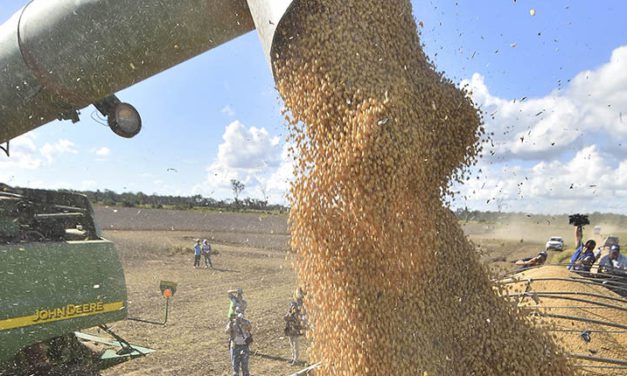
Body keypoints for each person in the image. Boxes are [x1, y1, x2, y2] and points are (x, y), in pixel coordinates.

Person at [226, 308, 252, 376]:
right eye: (237, 312)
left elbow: (249, 328)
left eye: (240, 312)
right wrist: (230, 327)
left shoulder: (246, 322)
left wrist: (242, 323)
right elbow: (226, 331)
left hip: (244, 346)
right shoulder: (231, 323)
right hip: (235, 347)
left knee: (245, 367)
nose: (238, 314)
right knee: (235, 368)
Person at [284, 288, 307, 365]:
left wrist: (291, 317)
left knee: (295, 343)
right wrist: (287, 316)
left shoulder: (302, 305)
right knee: (291, 342)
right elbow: (289, 311)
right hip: (290, 325)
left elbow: (301, 316)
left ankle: (296, 359)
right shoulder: (292, 302)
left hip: (296, 325)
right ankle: (293, 357)